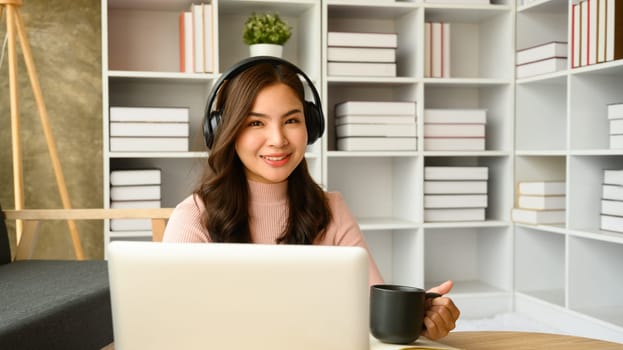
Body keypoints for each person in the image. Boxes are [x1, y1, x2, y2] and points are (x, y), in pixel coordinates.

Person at [162, 57, 460, 340]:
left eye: (291, 120)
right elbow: (172, 328)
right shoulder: (192, 218)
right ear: (224, 131)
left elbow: (370, 306)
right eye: (256, 123)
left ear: (311, 126)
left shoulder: (331, 209)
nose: (278, 139)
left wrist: (415, 320)